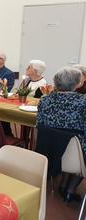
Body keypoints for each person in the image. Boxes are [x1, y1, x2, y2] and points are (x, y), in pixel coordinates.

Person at [37, 67, 86, 202]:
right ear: (78, 84)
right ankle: (70, 190)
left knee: (66, 140)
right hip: (75, 157)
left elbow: (39, 125)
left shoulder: (44, 100)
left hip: (50, 153)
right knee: (79, 143)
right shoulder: (83, 102)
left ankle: (63, 184)